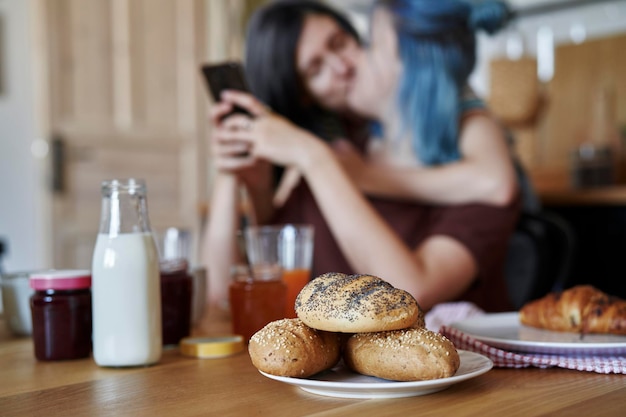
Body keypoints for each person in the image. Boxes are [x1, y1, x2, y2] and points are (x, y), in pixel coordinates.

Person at [205, 0, 520, 312]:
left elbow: (406, 294)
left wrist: (316, 158)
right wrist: (234, 168)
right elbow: (225, 296)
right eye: (315, 70)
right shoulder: (334, 149)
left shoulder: (469, 164)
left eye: (356, 43)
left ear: (415, 69)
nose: (348, 65)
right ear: (302, 97)